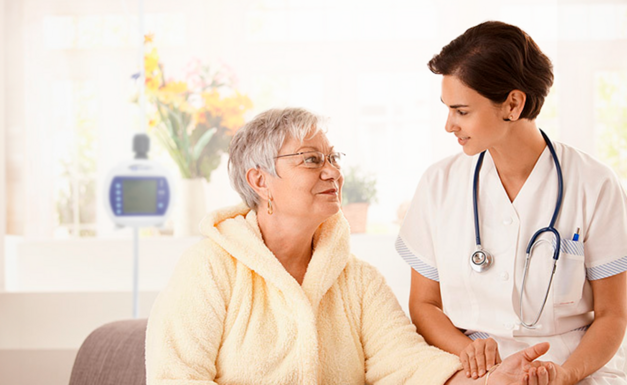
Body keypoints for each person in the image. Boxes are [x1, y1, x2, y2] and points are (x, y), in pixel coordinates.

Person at [145, 107, 556, 385]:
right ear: (260, 181)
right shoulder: (209, 268)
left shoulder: (357, 280)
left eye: (333, 157)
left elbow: (406, 364)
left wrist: (484, 382)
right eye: (310, 160)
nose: (332, 172)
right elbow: (176, 375)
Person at [397, 21, 627, 385]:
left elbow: (613, 315)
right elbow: (423, 305)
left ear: (513, 104)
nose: (449, 125)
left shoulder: (593, 183)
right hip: (476, 371)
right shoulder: (439, 184)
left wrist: (567, 374)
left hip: (571, 367)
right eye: (448, 109)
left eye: (462, 111)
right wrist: (465, 351)